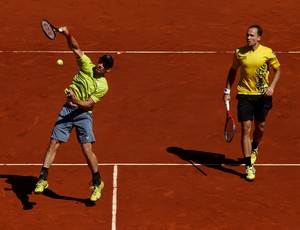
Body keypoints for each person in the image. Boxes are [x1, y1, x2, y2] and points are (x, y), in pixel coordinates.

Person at [34, 26, 114, 202]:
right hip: (67, 110)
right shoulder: (87, 65)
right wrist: (68, 34)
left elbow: (87, 104)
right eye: (101, 61)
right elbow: (76, 48)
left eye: (105, 65)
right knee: (54, 142)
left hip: (83, 114)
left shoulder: (103, 86)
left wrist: (74, 98)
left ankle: (97, 182)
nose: (101, 65)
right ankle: (43, 178)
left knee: (87, 150)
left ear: (108, 70)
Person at [223, 24, 281, 181]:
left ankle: (254, 146)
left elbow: (278, 70)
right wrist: (227, 91)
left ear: (259, 38)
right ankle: (249, 166)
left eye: (252, 35)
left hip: (263, 95)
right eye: (247, 35)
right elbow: (233, 71)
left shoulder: (268, 53)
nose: (248, 38)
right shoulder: (239, 53)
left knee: (260, 127)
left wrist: (272, 87)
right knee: (245, 128)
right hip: (245, 95)